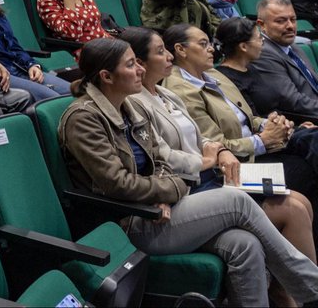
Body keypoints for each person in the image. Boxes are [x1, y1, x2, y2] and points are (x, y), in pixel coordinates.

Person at [59, 37, 318, 307]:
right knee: (237, 201)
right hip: (128, 222)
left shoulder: (126, 107)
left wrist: (163, 189)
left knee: (245, 244)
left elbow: (159, 158)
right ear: (106, 76)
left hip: (160, 207)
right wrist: (170, 189)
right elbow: (116, 183)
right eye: (131, 64)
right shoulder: (84, 118)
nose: (140, 69)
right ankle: (312, 288)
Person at [165, 21, 318, 229]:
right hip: (237, 165)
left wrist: (269, 123)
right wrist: (262, 140)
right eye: (203, 44)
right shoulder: (181, 92)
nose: (211, 48)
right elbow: (216, 146)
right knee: (305, 169)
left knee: (311, 137)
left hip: (262, 146)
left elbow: (247, 118)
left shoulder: (215, 74)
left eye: (209, 42)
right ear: (181, 50)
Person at [237, 0, 318, 121]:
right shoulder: (263, 53)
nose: (290, 26)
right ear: (261, 24)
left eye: (293, 19)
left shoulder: (294, 48)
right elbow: (292, 101)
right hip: (303, 121)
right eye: (281, 21)